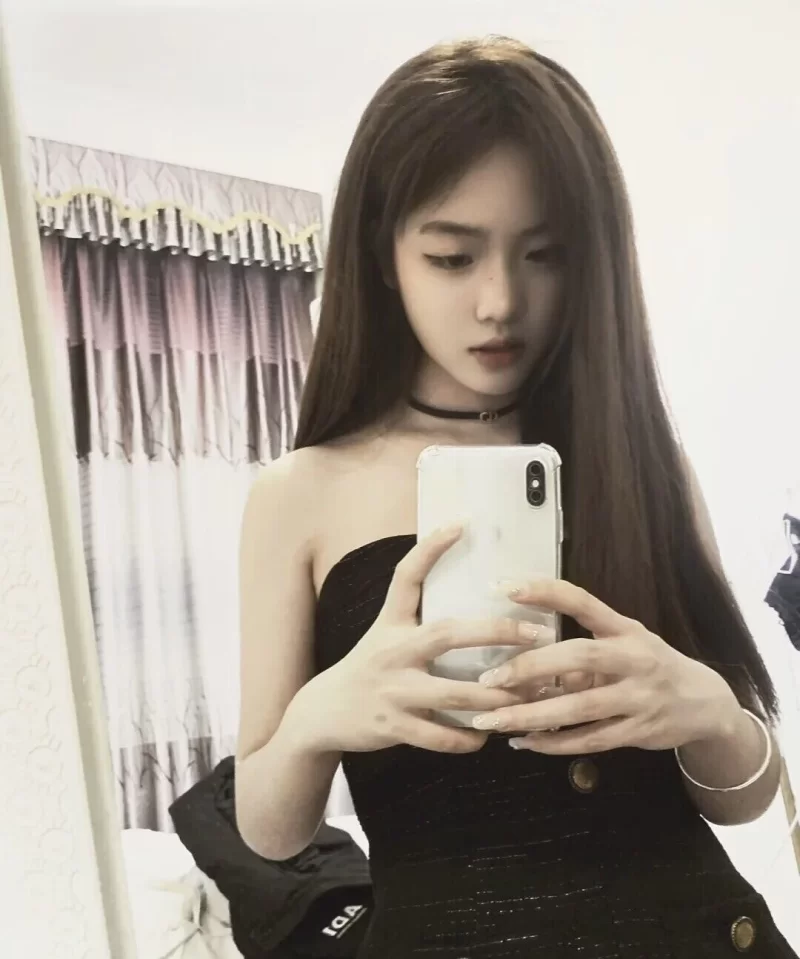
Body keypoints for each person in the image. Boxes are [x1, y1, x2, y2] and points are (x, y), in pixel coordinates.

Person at [234, 36, 796, 958]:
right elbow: (269, 831)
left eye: (544, 254)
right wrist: (323, 715)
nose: (500, 301)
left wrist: (705, 708)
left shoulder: (644, 464)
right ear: (384, 255)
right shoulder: (301, 494)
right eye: (453, 257)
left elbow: (745, 799)